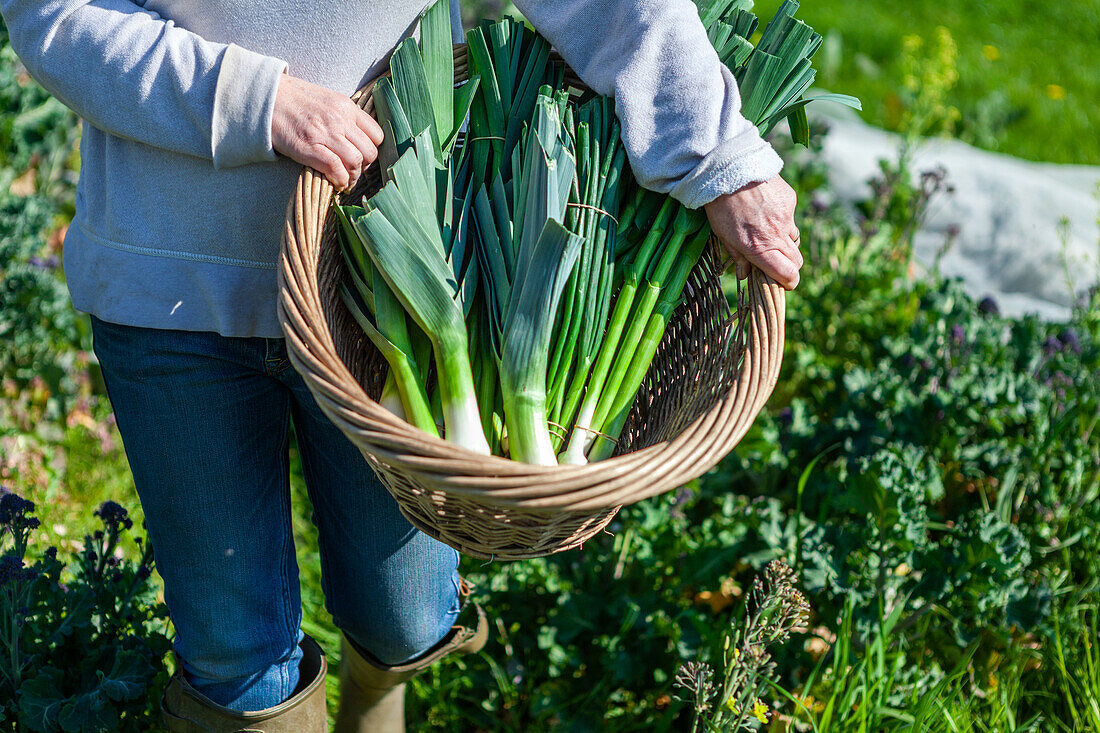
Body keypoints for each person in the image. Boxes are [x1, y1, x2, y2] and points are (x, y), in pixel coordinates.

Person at [0, 0, 802, 730]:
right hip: (170, 287)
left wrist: (720, 156)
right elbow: (53, 17)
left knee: (405, 614)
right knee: (234, 657)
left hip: (395, 283)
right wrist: (256, 101)